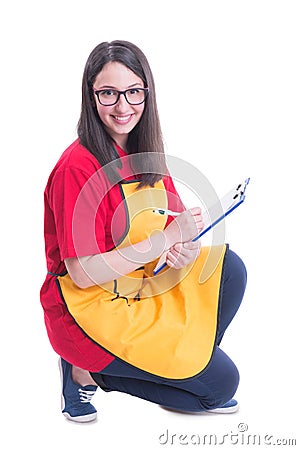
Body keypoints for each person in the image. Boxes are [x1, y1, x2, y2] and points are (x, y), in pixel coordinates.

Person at [40, 40, 247, 423]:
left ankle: (182, 371)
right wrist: (165, 241)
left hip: (141, 286)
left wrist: (181, 247)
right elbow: (84, 274)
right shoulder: (77, 168)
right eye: (109, 93)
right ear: (91, 96)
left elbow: (173, 224)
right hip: (90, 308)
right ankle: (86, 372)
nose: (123, 106)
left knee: (229, 268)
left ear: (147, 93)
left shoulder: (145, 152)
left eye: (133, 91)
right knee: (220, 387)